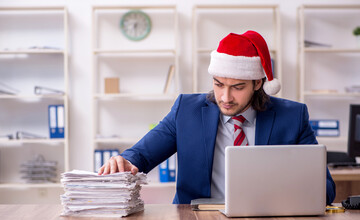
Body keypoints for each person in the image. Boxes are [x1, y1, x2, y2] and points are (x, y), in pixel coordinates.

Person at [98, 30, 336, 205]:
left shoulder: (292, 116)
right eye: (218, 84)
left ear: (258, 83)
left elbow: (325, 190)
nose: (225, 97)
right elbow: (141, 154)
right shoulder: (186, 110)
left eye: (238, 87)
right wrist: (125, 161)